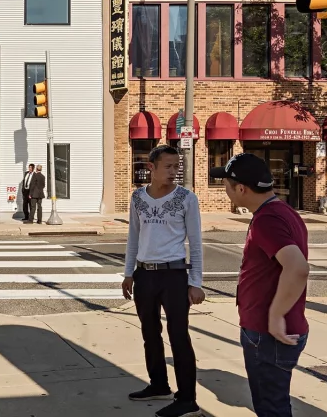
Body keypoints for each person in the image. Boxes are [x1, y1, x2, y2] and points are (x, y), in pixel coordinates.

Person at [210, 153, 310, 417]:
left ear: (241, 188)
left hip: (269, 335)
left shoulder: (267, 220)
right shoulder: (283, 211)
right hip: (271, 333)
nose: (226, 191)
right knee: (275, 404)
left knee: (271, 408)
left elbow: (298, 268)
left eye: (227, 185)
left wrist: (275, 316)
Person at [122, 144, 204, 417]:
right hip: (145, 274)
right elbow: (133, 237)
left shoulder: (187, 199)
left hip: (174, 275)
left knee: (179, 336)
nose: (173, 172)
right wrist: (129, 273)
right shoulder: (137, 198)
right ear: (152, 168)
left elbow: (196, 243)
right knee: (150, 333)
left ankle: (187, 398)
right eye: (167, 167)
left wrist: (196, 282)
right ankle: (158, 383)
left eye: (176, 166)